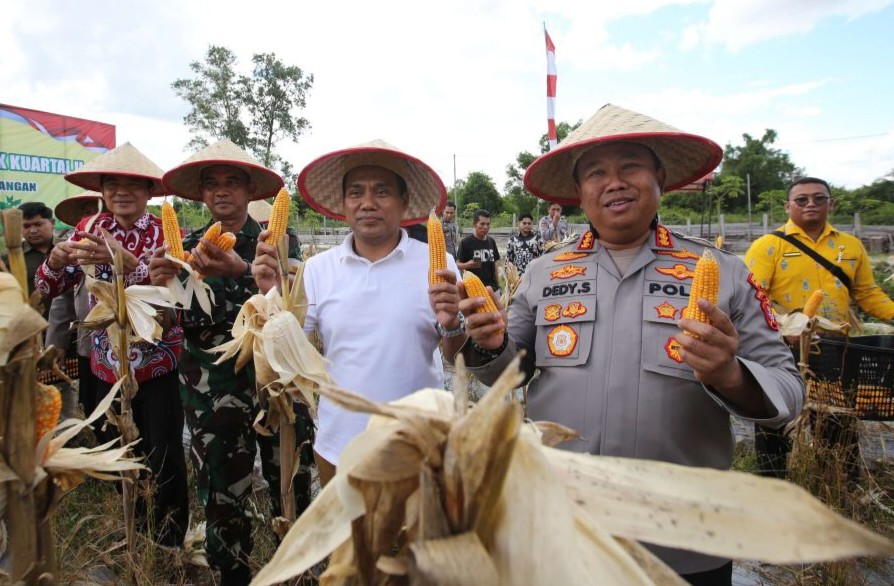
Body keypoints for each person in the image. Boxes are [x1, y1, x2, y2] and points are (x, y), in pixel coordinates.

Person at [454, 104, 804, 584]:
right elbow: (505, 373)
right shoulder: (544, 272)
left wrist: (730, 375)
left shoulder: (723, 271)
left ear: (660, 178)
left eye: (630, 167)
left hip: (683, 540)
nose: (614, 183)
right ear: (579, 192)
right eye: (596, 173)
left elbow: (787, 390)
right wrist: (490, 345)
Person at [253, 139, 464, 487]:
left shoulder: (437, 264)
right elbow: (289, 355)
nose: (368, 203)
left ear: (404, 201)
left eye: (382, 191)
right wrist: (272, 296)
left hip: (419, 445)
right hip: (339, 446)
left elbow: (455, 354)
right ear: (344, 203)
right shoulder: (316, 269)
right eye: (356, 192)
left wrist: (453, 324)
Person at [151, 139, 313, 586]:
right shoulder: (183, 248)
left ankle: (295, 572)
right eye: (212, 184)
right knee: (222, 495)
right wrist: (157, 291)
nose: (222, 191)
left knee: (291, 484)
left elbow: (293, 309)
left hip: (275, 386)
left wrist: (243, 272)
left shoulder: (277, 243)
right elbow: (169, 323)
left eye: (232, 182)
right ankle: (232, 573)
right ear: (202, 194)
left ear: (249, 191)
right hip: (211, 391)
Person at [35, 143, 188, 548]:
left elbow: (176, 299)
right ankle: (133, 534)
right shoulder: (87, 230)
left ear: (149, 191)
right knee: (119, 450)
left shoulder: (167, 233)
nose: (122, 191)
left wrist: (127, 262)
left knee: (165, 452)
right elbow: (49, 288)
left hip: (158, 364)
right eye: (113, 183)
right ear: (101, 189)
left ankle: (169, 541)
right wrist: (53, 262)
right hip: (106, 364)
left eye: (133, 184)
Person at [745, 176, 894, 478]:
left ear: (831, 204)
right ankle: (772, 481)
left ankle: (840, 484)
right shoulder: (768, 246)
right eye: (801, 199)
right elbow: (751, 297)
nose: (810, 204)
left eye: (818, 198)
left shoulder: (849, 246)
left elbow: (868, 294)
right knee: (774, 417)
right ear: (788, 206)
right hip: (781, 346)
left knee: (837, 421)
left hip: (834, 347)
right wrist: (785, 326)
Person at [44, 192, 104, 419]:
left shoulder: (127, 249)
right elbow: (62, 299)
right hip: (89, 347)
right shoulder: (74, 251)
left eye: (99, 211)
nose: (93, 218)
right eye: (87, 213)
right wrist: (56, 343)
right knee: (94, 409)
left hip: (127, 349)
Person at [3, 201, 56, 302]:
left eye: (38, 224)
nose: (33, 231)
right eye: (26, 226)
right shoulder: (8, 258)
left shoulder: (71, 250)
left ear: (52, 223)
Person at [457, 209, 500, 291]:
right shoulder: (465, 242)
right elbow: (457, 264)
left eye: (488, 224)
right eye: (482, 224)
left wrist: (497, 284)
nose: (486, 227)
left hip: (491, 288)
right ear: (474, 224)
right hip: (473, 289)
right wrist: (467, 265)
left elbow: (495, 265)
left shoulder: (491, 241)